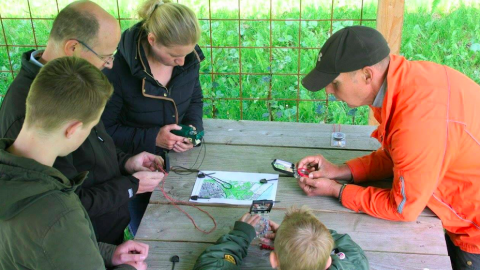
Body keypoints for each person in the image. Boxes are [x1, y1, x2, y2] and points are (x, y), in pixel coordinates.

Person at [298, 25, 480, 270]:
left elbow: (402, 208)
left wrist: (336, 190)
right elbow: (402, 156)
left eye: (335, 83)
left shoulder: (417, 121)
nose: (328, 90)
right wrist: (339, 171)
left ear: (367, 75)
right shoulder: (407, 84)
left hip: (472, 227)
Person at [0, 0, 165, 245]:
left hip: (106, 239)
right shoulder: (28, 115)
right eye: (105, 56)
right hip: (82, 244)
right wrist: (130, 186)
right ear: (73, 47)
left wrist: (127, 162)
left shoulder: (74, 81)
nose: (109, 65)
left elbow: (93, 149)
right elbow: (65, 202)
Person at [0, 57, 149, 270]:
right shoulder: (60, 214)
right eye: (91, 127)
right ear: (73, 129)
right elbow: (56, 237)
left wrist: (108, 253)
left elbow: (38, 249)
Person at [101, 0, 204, 235]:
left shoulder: (188, 60)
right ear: (152, 40)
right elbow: (104, 130)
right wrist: (154, 138)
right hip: (135, 167)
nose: (182, 61)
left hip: (182, 163)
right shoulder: (117, 71)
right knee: (148, 233)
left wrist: (191, 129)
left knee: (187, 229)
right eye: (174, 55)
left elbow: (195, 100)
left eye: (187, 54)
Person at [192, 207, 368, 269]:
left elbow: (209, 266)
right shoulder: (352, 264)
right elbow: (350, 247)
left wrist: (240, 236)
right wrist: (298, 238)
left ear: (274, 259)